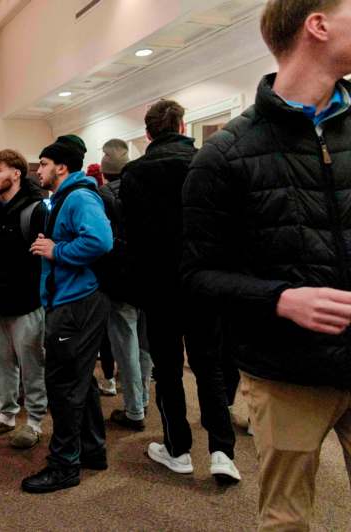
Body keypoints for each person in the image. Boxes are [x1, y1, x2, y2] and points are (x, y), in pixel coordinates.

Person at [182, 0, 351, 527]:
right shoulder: (225, 154)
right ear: (317, 26)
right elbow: (196, 277)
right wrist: (279, 298)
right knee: (287, 519)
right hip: (285, 373)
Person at [120, 100, 240, 483]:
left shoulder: (135, 173)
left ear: (148, 132)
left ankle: (178, 448)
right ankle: (222, 450)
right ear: (184, 126)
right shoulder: (208, 162)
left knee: (168, 371)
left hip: (158, 287)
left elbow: (130, 238)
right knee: (210, 368)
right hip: (203, 282)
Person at [21, 134, 113, 493]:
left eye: (43, 164)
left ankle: (64, 466)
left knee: (63, 385)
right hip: (72, 302)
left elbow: (100, 241)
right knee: (79, 381)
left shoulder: (78, 197)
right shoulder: (65, 198)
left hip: (76, 305)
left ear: (61, 166)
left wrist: (58, 251)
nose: (39, 169)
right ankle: (92, 450)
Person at [0, 149, 48, 449]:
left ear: (16, 173)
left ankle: (36, 422)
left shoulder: (36, 210)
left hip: (25, 303)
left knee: (32, 365)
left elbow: (45, 258)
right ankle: (6, 415)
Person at [97, 139, 152, 431]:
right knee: (144, 345)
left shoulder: (102, 196)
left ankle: (134, 409)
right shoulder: (145, 189)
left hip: (119, 279)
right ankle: (142, 400)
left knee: (125, 345)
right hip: (149, 275)